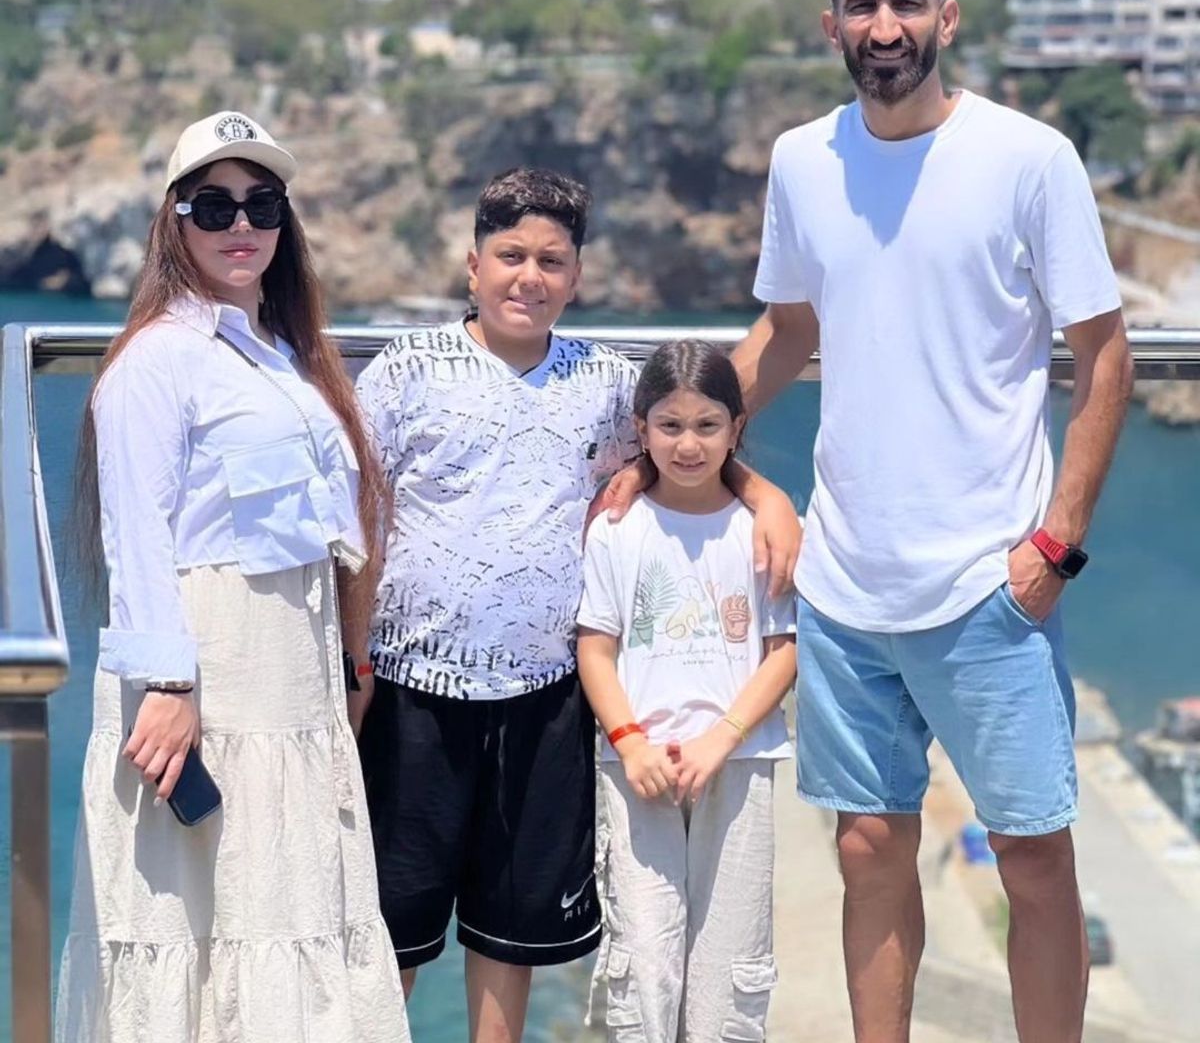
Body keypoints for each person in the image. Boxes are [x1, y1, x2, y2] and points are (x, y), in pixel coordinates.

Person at [733, 0, 1134, 1043]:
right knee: (867, 848)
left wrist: (1054, 546)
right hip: (844, 581)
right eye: (862, 4)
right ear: (832, 24)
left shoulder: (1028, 158)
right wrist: (664, 445)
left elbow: (1105, 355)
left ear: (946, 18)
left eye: (906, 3)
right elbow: (789, 329)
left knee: (1034, 857)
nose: (884, 26)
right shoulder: (802, 160)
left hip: (990, 583)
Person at [354, 168, 799, 1043]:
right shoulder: (405, 370)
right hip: (412, 686)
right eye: (511, 255)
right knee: (388, 927)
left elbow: (688, 448)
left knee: (509, 928)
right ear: (473, 264)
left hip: (546, 691)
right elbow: (358, 518)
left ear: (577, 276)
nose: (530, 276)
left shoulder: (602, 383)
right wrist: (354, 665)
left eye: (551, 261)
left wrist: (766, 494)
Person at [57, 110, 410, 1043]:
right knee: (201, 911)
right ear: (174, 221)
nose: (242, 225)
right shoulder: (157, 361)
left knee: (284, 898)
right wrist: (168, 686)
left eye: (263, 204)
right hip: (209, 667)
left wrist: (348, 660)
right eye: (213, 206)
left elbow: (331, 533)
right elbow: (136, 532)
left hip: (290, 674)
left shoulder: (284, 355)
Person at [577, 339, 798, 1043]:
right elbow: (595, 647)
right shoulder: (618, 529)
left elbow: (784, 650)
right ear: (640, 431)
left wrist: (722, 738)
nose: (689, 443)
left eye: (707, 425)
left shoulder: (762, 531)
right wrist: (629, 741)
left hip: (738, 761)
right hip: (635, 769)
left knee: (731, 959)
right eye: (669, 426)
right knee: (645, 958)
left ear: (737, 428)